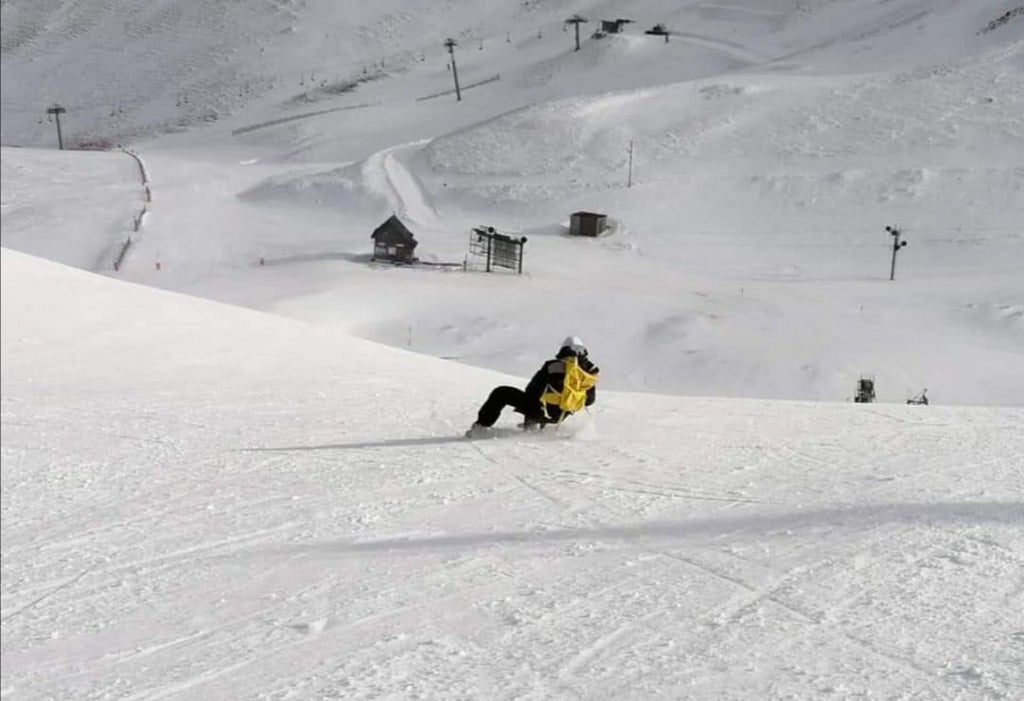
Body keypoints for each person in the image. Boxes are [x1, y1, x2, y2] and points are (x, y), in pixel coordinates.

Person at [467, 336, 599, 436]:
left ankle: (481, 427)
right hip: (561, 415)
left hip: (542, 412)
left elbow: (533, 390)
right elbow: (590, 400)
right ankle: (537, 424)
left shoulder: (552, 366)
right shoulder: (589, 371)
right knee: (542, 400)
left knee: (501, 392)